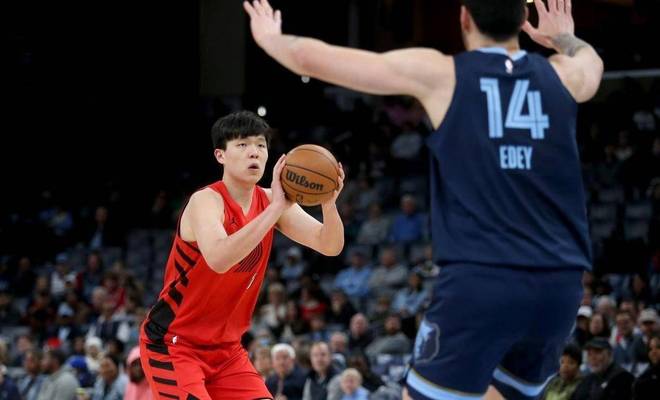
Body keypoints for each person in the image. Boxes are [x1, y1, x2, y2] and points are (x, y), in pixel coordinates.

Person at [244, 0, 603, 398]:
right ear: (523, 19)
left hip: (483, 279)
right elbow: (591, 64)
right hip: (561, 284)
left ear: (463, 17)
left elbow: (311, 58)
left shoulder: (444, 73)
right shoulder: (561, 75)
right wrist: (562, 38)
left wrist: (269, 38)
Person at [139, 111, 345, 399]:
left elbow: (330, 245)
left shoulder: (270, 200)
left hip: (227, 351)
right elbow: (219, 259)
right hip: (174, 344)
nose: (254, 152)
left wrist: (328, 204)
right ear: (220, 155)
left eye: (261, 145)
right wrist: (275, 209)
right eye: (243, 145)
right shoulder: (206, 201)